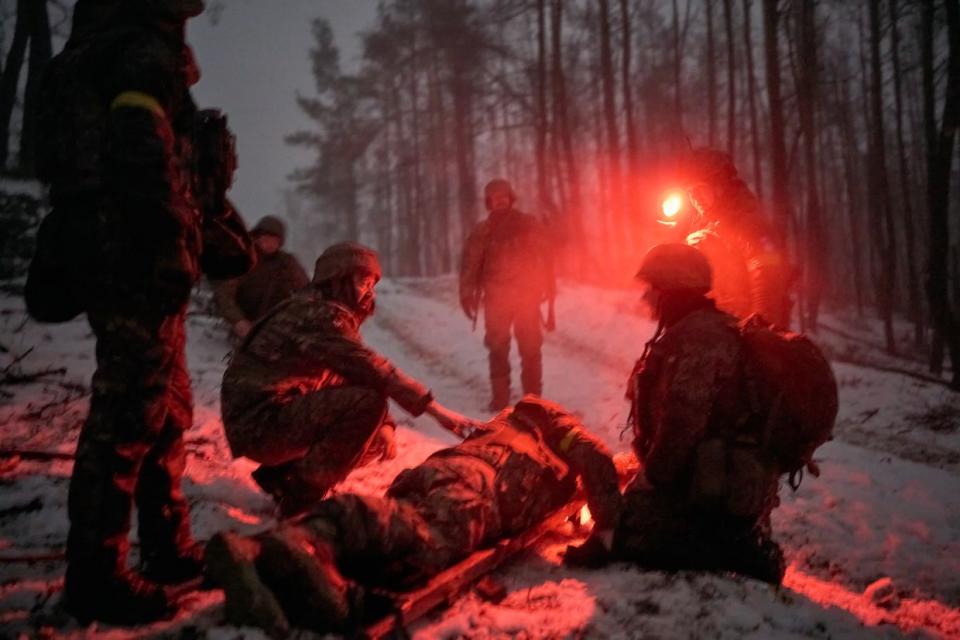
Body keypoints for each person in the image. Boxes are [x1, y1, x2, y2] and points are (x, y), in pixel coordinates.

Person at [28, 0, 253, 624]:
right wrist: (168, 241)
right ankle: (97, 575)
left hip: (119, 244)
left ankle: (164, 544)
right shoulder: (137, 50)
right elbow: (139, 151)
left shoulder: (101, 44)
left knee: (165, 405)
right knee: (128, 413)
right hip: (132, 249)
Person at [204, 396, 621, 635]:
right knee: (426, 541)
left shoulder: (502, 425)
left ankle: (289, 557)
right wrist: (605, 532)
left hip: (436, 473)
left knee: (398, 533)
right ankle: (301, 542)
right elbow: (598, 455)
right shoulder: (556, 430)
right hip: (477, 489)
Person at [568, 243, 786, 584]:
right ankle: (733, 537)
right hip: (725, 485)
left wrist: (650, 483)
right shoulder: (714, 326)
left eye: (652, 289)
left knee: (629, 533)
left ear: (670, 290)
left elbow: (682, 424)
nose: (645, 299)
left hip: (712, 493)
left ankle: (740, 552)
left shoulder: (695, 339)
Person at [221, 242, 478, 518]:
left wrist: (386, 425)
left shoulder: (319, 310)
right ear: (339, 279)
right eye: (363, 282)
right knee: (368, 407)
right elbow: (372, 367)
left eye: (372, 284)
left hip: (265, 417)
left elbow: (353, 374)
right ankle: (301, 497)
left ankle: (280, 477)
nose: (369, 291)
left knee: (375, 434)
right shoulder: (318, 315)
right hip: (259, 423)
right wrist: (435, 410)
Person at [665, 148, 792, 327]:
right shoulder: (703, 224)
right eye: (691, 193)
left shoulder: (747, 219)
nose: (696, 198)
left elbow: (766, 268)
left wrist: (762, 321)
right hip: (716, 322)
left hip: (746, 323)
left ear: (720, 186)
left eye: (701, 189)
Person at [459, 179, 556, 411]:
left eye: (504, 196)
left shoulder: (528, 225)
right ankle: (500, 400)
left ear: (510, 198)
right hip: (496, 299)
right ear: (489, 202)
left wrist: (548, 286)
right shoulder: (481, 232)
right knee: (497, 348)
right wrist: (466, 293)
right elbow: (471, 264)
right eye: (495, 197)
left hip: (526, 297)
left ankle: (534, 402)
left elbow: (546, 256)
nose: (500, 200)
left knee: (531, 349)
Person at [213, 215, 308, 339]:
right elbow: (224, 294)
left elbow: (306, 289)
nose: (270, 243)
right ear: (257, 237)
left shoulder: (287, 263)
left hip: (277, 324)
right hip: (246, 323)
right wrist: (238, 321)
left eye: (275, 240)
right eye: (266, 238)